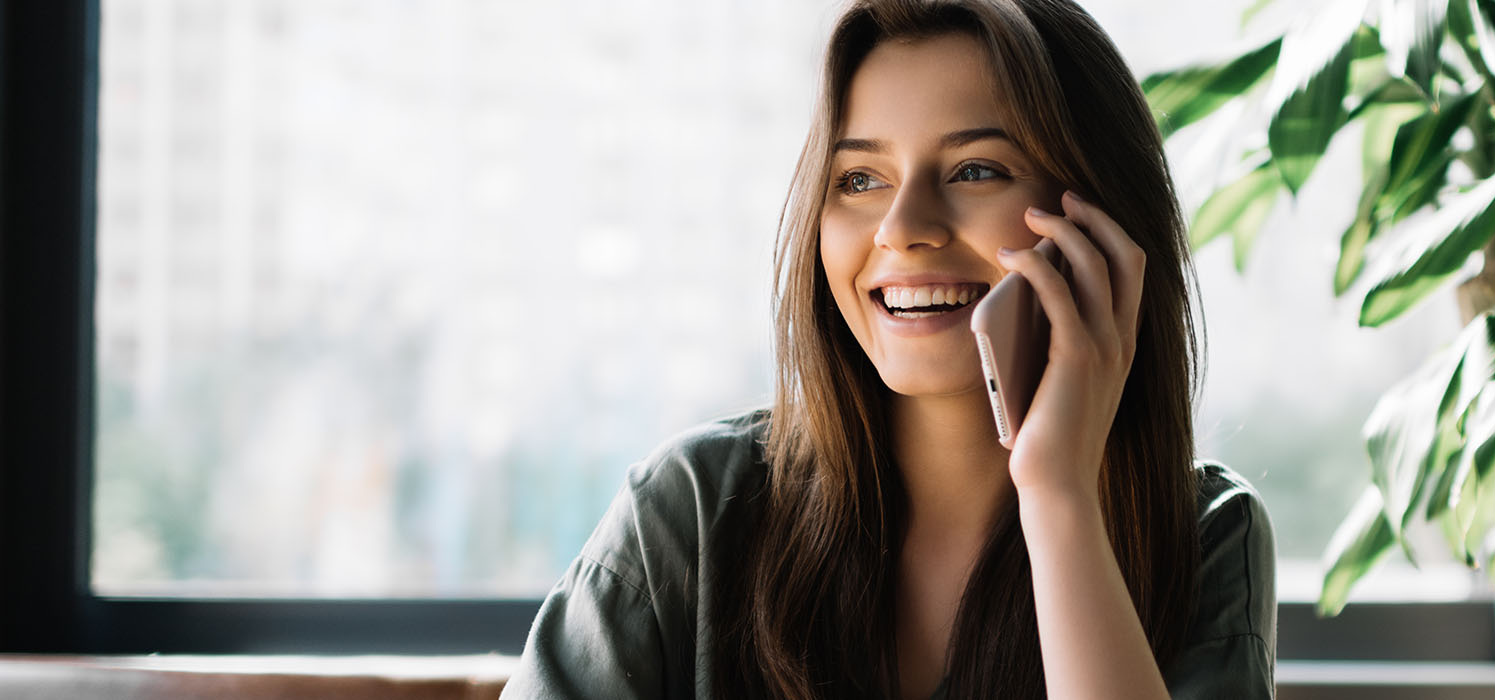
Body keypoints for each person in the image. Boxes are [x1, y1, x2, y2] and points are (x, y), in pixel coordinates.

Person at [499, 1, 1275, 697]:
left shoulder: (1206, 538)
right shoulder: (690, 514)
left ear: (1098, 228)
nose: (902, 227)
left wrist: (1057, 493)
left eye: (976, 170)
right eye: (860, 179)